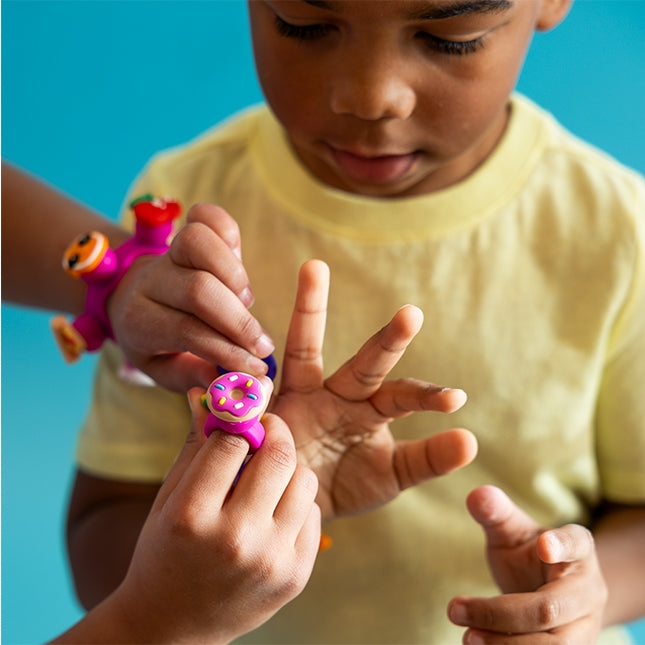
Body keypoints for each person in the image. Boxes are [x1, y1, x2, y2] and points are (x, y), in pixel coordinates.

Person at [62, 0, 645, 643]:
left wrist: (584, 598)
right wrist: (185, 581)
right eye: (303, 25)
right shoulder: (179, 221)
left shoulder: (619, 234)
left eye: (450, 38)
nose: (371, 98)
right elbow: (103, 524)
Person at [2, 162, 474, 642]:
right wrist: (162, 613)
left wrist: (122, 283)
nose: (373, 118)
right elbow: (98, 542)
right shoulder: (194, 179)